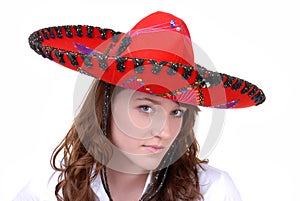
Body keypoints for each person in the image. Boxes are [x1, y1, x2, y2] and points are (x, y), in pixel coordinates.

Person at [16, 11, 265, 201]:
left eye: (176, 112)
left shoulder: (212, 191)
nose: (165, 131)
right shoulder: (50, 191)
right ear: (105, 106)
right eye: (146, 107)